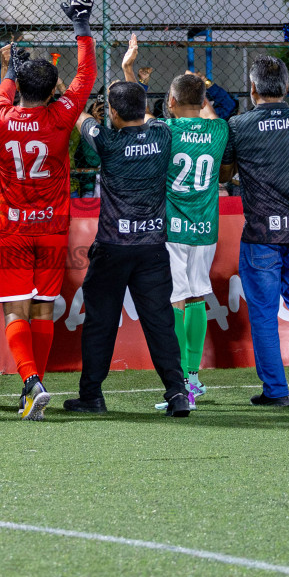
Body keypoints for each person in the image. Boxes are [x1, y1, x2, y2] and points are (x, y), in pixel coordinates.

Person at [0, 0, 97, 420]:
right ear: (53, 89)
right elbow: (86, 78)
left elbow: (1, 94)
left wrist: (10, 70)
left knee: (13, 307)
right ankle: (36, 383)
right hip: (52, 225)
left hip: (12, 224)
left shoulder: (0, 118)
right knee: (42, 307)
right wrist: (81, 27)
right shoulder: (61, 115)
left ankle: (30, 381)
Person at [62, 80, 192, 417]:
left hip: (112, 247)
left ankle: (91, 395)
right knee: (160, 321)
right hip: (152, 247)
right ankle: (178, 393)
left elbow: (79, 118)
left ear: (114, 113)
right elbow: (148, 119)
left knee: (100, 323)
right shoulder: (163, 134)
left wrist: (65, 90)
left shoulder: (107, 142)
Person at [122, 38, 227, 407]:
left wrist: (128, 71)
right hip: (205, 229)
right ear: (201, 103)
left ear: (169, 102)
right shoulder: (218, 131)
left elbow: (136, 113)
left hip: (172, 230)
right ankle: (194, 377)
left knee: (177, 302)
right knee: (197, 295)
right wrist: (200, 89)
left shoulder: (164, 131)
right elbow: (208, 113)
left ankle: (181, 383)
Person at [222, 56, 289, 406]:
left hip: (262, 232)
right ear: (285, 87)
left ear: (252, 89)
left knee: (264, 313)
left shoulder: (238, 125)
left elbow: (223, 176)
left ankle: (277, 392)